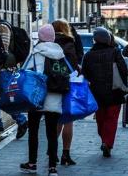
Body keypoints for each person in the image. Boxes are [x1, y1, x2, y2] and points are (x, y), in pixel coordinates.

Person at [19, 25, 65, 176]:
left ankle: (32, 163)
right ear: (52, 37)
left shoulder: (36, 53)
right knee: (52, 134)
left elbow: (25, 71)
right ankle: (52, 167)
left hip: (37, 99)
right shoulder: (60, 53)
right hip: (55, 98)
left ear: (40, 37)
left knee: (33, 132)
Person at [82, 27, 128, 158]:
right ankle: (107, 143)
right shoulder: (115, 52)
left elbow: (85, 74)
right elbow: (124, 70)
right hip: (114, 92)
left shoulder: (89, 55)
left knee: (101, 119)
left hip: (97, 93)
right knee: (112, 119)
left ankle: (104, 140)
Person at [0, 4, 28, 142]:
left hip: (4, 69)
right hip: (2, 69)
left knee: (3, 97)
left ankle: (21, 120)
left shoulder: (2, 27)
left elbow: (3, 50)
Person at [52, 19, 79, 166]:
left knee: (54, 119)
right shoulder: (69, 43)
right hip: (66, 85)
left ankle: (52, 152)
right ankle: (66, 154)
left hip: (51, 86)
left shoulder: (46, 43)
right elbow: (73, 66)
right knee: (68, 120)